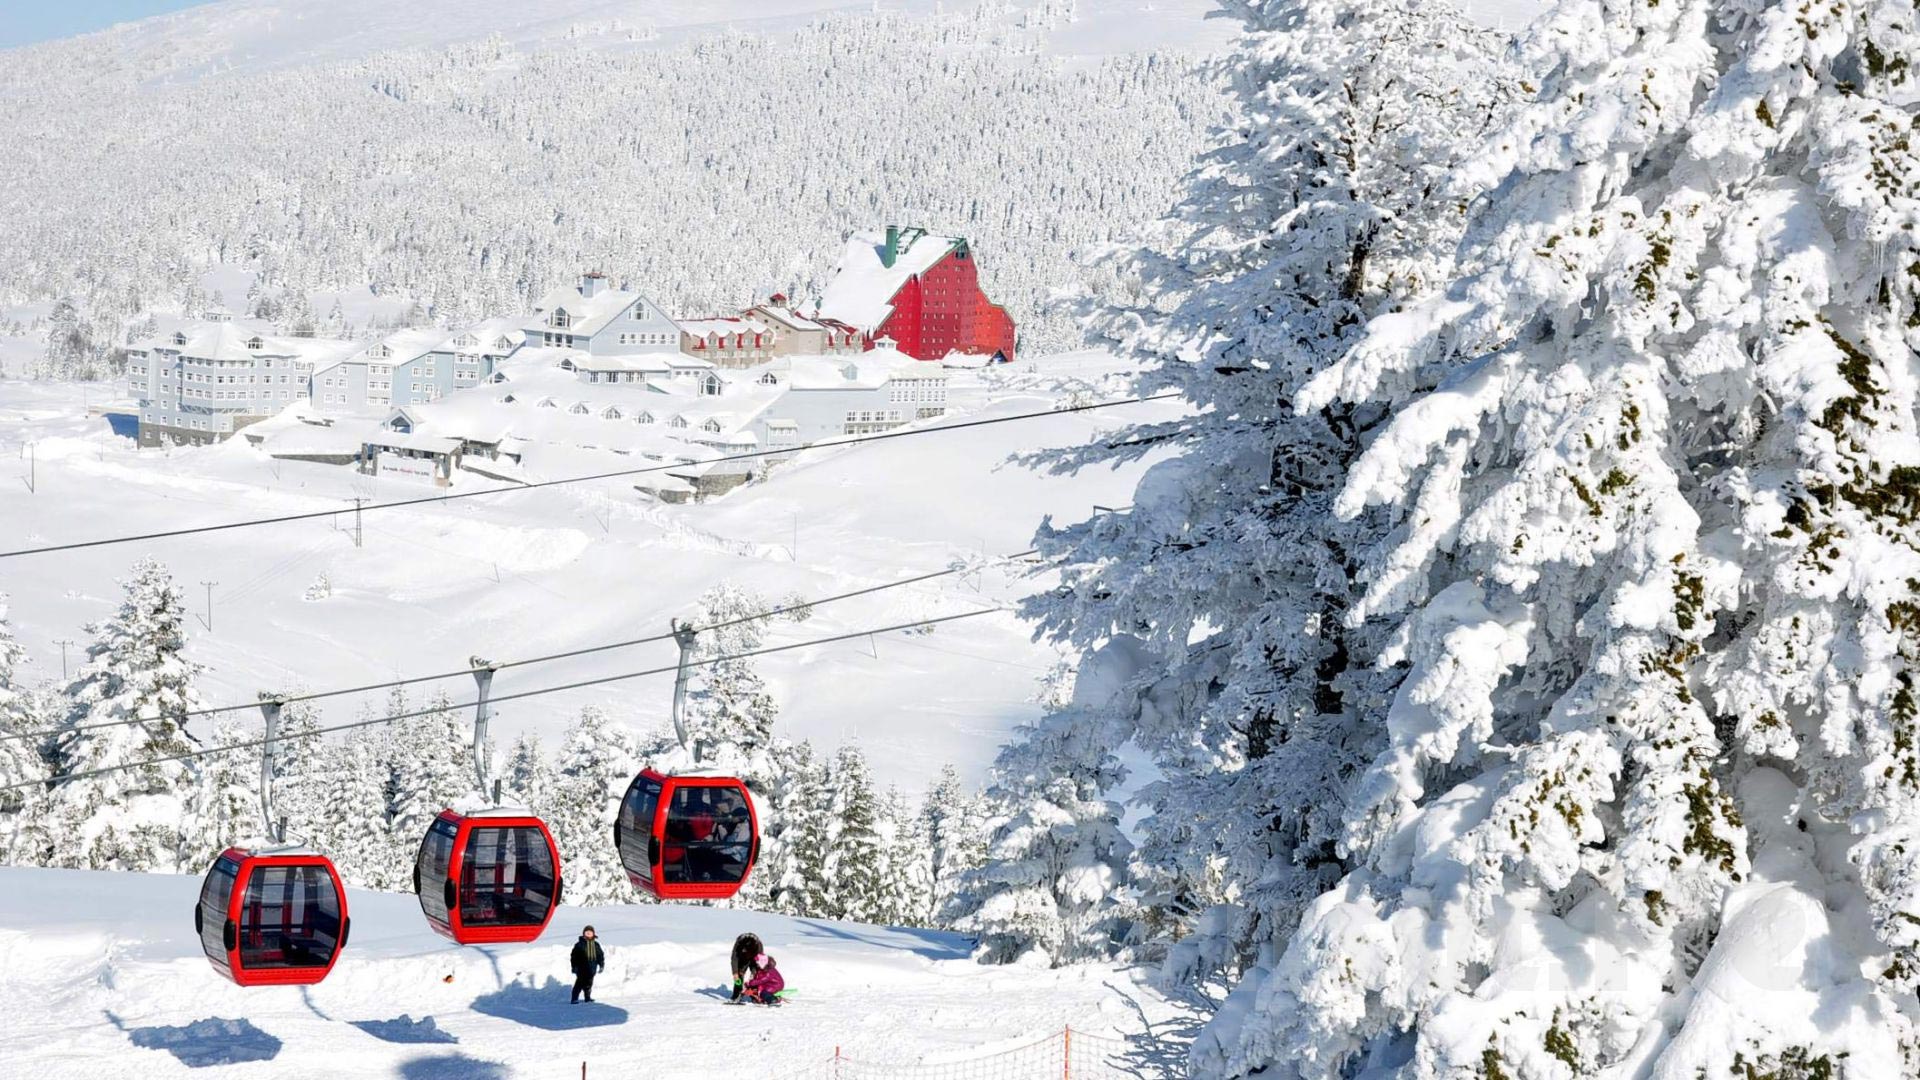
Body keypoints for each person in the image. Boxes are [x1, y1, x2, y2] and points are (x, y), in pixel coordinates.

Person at [569, 925, 605, 1003]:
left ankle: (587, 997)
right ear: (584, 934)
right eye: (587, 932)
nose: (588, 934)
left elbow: (600, 955)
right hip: (581, 967)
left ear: (593, 934)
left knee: (589, 983)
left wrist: (601, 964)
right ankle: (574, 998)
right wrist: (574, 966)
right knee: (579, 983)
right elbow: (573, 956)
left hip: (592, 968)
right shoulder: (579, 944)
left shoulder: (596, 945)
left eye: (590, 933)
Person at [729, 932, 764, 1002]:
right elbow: (734, 959)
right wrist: (735, 973)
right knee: (739, 975)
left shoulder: (758, 947)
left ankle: (754, 994)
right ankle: (736, 994)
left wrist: (753, 972)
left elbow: (759, 962)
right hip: (742, 958)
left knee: (756, 975)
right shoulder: (738, 944)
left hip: (755, 959)